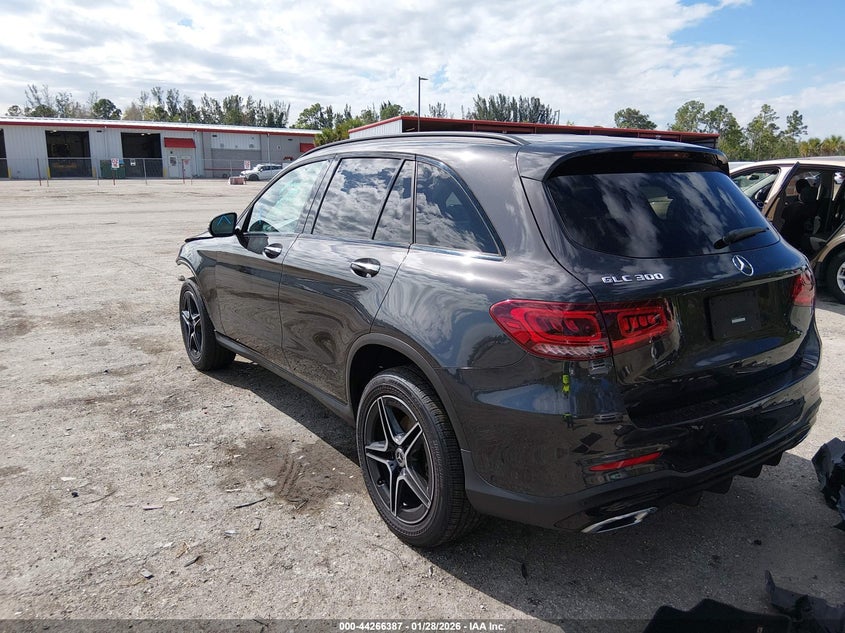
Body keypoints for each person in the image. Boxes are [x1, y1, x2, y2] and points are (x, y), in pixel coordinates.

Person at [779, 179, 817, 254]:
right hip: (801, 237)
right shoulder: (816, 205)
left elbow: (781, 218)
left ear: (798, 190)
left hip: (790, 242)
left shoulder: (795, 208)